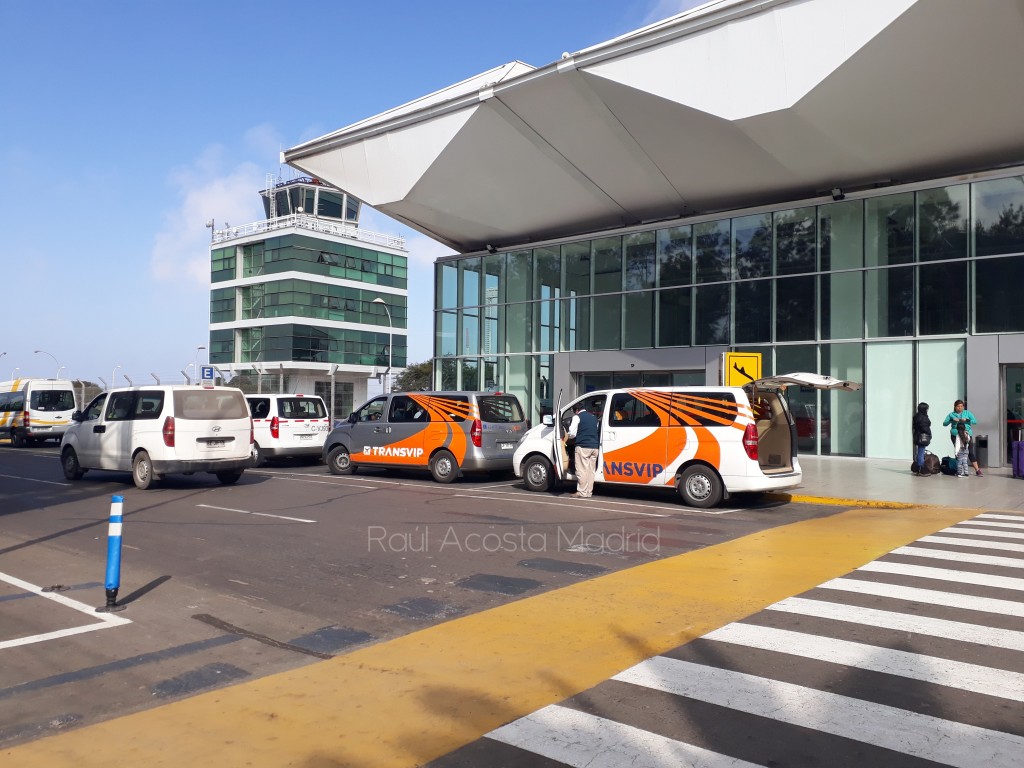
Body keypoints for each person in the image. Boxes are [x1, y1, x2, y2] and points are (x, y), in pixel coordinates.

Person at [564, 402, 599, 499]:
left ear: (576, 410)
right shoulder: (593, 417)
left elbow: (572, 433)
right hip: (595, 447)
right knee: (591, 471)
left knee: (581, 470)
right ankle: (588, 492)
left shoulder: (577, 417)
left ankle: (582, 492)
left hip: (583, 446)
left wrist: (568, 437)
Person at [942, 399, 982, 476]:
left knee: (970, 452)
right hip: (955, 435)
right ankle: (959, 470)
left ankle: (977, 470)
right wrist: (952, 420)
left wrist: (967, 420)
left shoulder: (967, 413)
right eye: (958, 406)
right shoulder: (951, 414)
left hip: (966, 434)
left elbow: (975, 421)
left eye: (961, 406)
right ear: (955, 407)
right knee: (958, 452)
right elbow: (944, 423)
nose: (960, 408)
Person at [911, 402, 931, 476]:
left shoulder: (916, 416)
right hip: (922, 436)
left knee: (919, 452)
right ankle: (921, 468)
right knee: (921, 452)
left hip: (917, 436)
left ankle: (917, 467)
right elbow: (924, 427)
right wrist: (929, 433)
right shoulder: (923, 417)